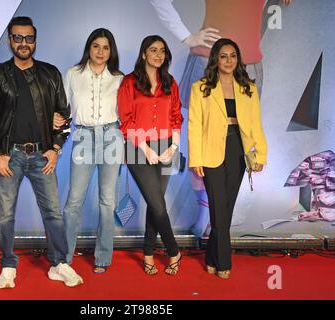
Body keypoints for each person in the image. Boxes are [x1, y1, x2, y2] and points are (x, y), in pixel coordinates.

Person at [151, 0, 291, 238]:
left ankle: (217, 218)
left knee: (240, 134)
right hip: (208, 60)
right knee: (203, 134)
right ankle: (205, 214)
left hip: (249, 63)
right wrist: (186, 36)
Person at [0, 16, 83, 288]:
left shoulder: (50, 73)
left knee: (53, 214)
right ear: (10, 40)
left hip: (42, 155)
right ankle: (8, 265)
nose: (24, 43)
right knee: (5, 215)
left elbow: (65, 116)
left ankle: (59, 264)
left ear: (35, 41)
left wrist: (56, 148)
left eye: (29, 38)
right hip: (10, 156)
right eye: (18, 38)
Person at [188, 38, 268, 279]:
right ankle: (223, 261)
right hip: (210, 150)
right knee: (218, 207)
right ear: (215, 59)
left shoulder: (248, 88)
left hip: (238, 149)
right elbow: (194, 125)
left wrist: (261, 153)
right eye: (223, 56)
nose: (229, 60)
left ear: (238, 59)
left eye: (233, 55)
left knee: (226, 208)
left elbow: (255, 124)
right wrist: (196, 158)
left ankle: (211, 256)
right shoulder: (200, 88)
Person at [53, 28, 124, 274]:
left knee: (107, 201)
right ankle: (65, 257)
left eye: (106, 47)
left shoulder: (119, 77)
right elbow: (63, 108)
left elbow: (127, 112)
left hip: (112, 137)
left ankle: (103, 258)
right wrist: (58, 119)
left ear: (110, 51)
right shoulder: (73, 74)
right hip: (82, 136)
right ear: (89, 48)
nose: (101, 52)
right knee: (74, 201)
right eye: (96, 46)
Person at [118, 35, 183, 276]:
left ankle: (148, 252)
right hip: (137, 148)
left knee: (157, 204)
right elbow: (126, 120)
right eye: (152, 50)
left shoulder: (170, 82)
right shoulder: (129, 82)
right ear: (143, 54)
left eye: (162, 51)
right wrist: (145, 149)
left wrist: (173, 148)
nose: (158, 54)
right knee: (157, 203)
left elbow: (176, 116)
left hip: (167, 146)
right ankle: (174, 250)